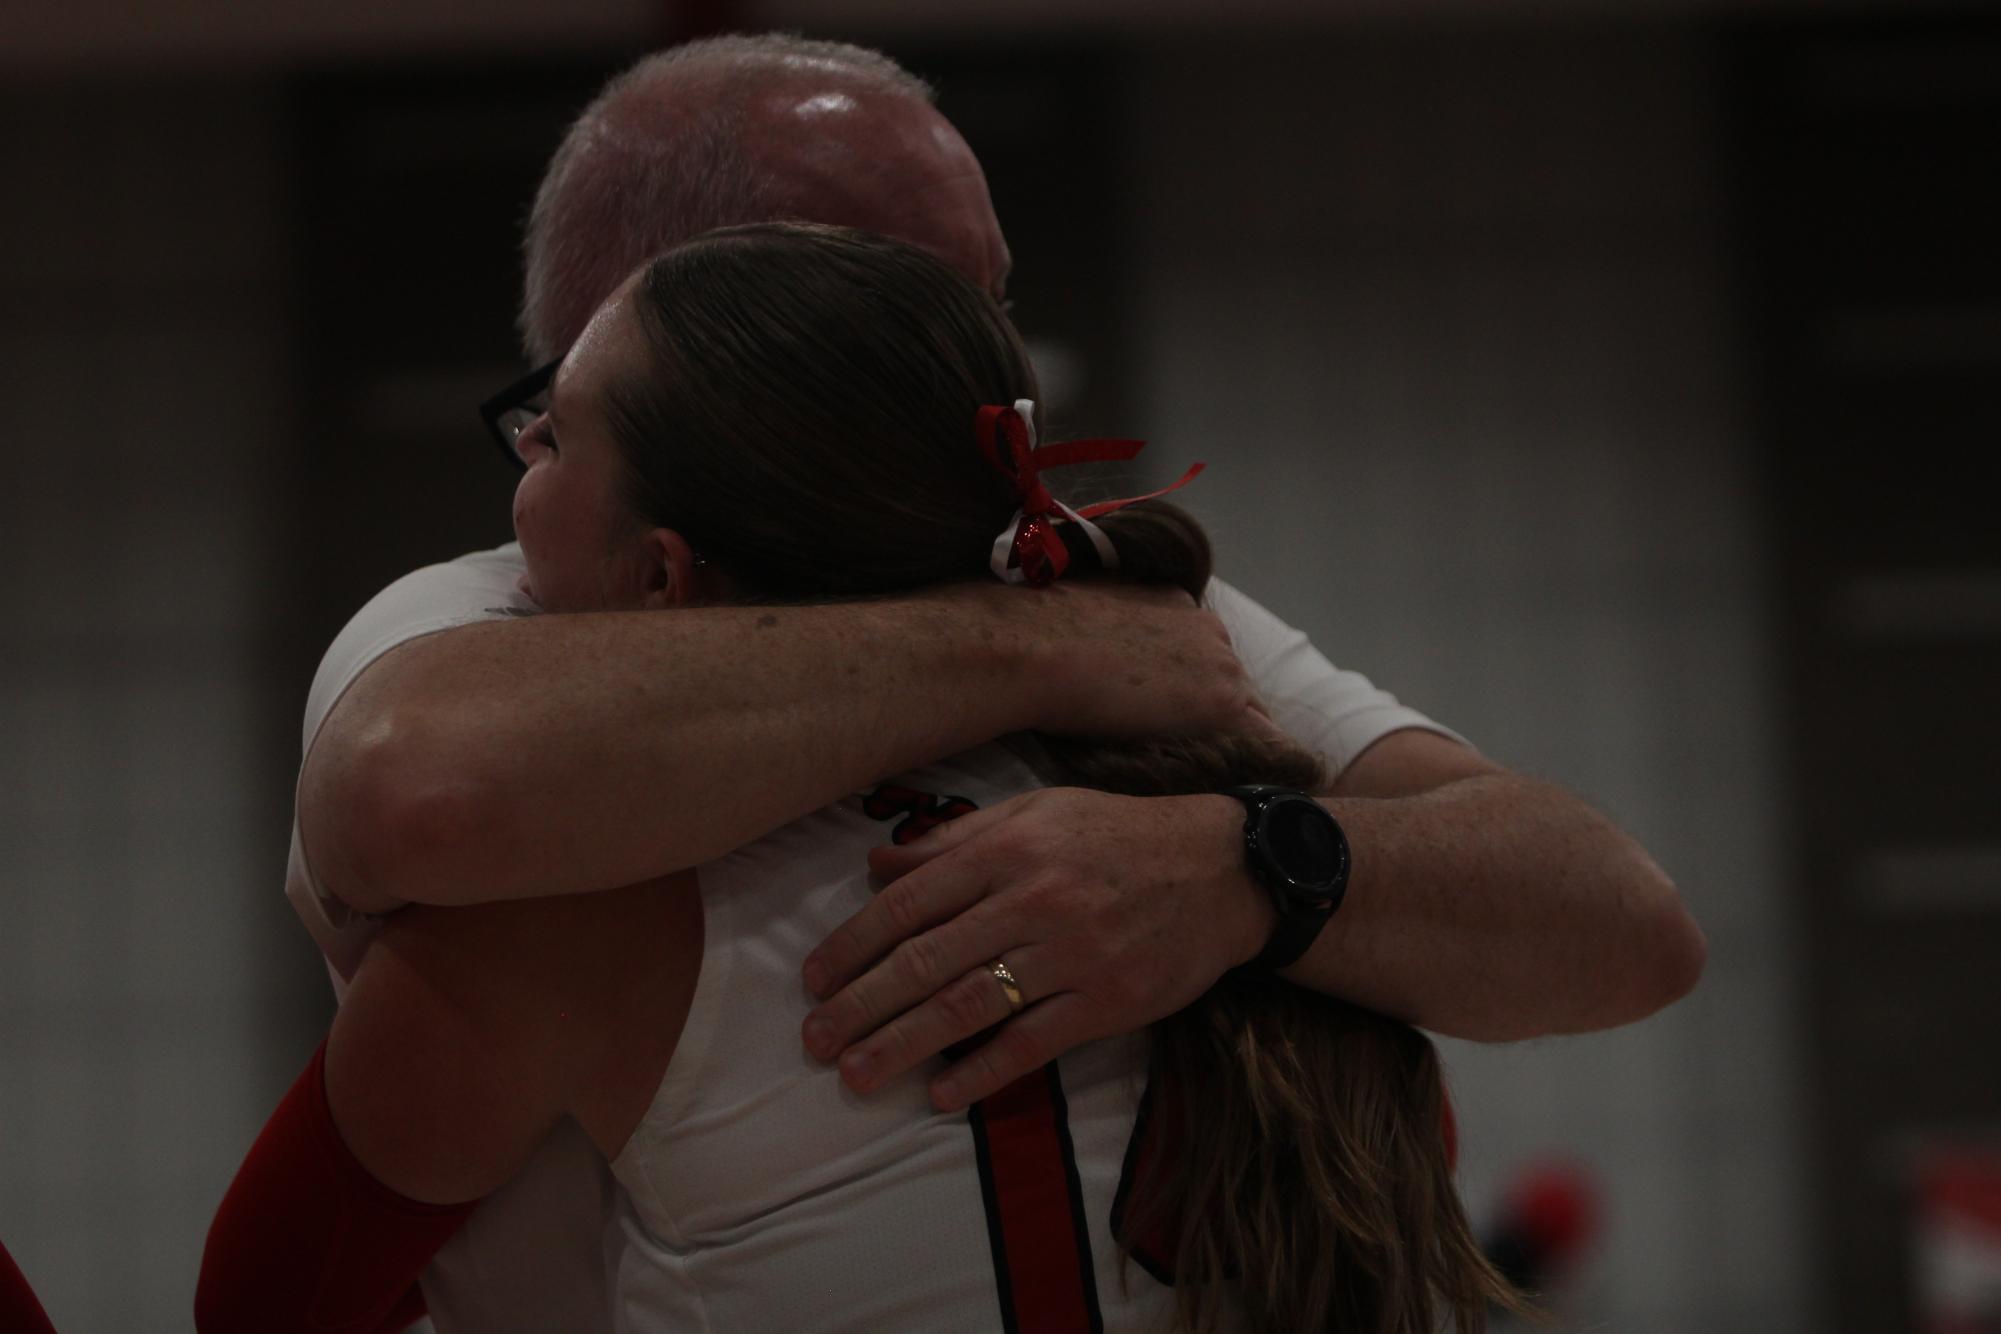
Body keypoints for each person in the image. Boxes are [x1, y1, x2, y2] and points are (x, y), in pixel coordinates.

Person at [277, 33, 1703, 1333]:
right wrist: (1024, 648)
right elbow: (419, 783)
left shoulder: (1114, 598)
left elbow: (1621, 923)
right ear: (685, 325)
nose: (998, 380)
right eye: (909, 299)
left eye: (991, 303)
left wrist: (1247, 866)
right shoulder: (490, 617)